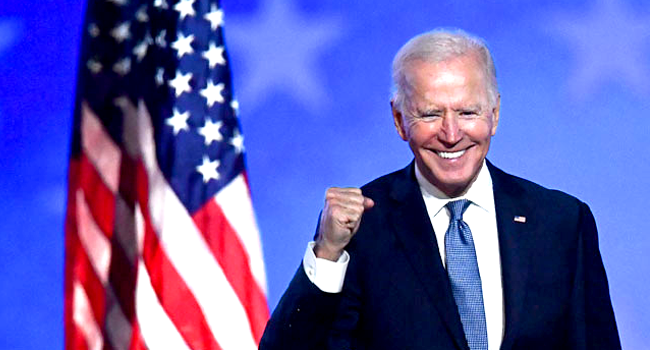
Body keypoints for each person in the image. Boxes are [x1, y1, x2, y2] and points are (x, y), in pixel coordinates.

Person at [259, 29, 621, 350]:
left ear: (494, 114)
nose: (450, 134)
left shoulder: (560, 222)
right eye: (431, 114)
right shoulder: (363, 226)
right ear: (400, 120)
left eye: (467, 112)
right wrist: (327, 254)